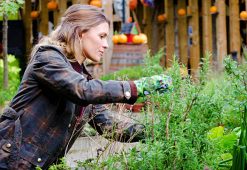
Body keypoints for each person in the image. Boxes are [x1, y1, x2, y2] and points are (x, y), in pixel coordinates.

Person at [0, 4, 172, 170]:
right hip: (10, 161)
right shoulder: (48, 58)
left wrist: (156, 130)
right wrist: (138, 87)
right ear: (80, 33)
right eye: (102, 36)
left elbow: (109, 126)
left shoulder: (83, 79)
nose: (106, 44)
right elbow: (82, 90)